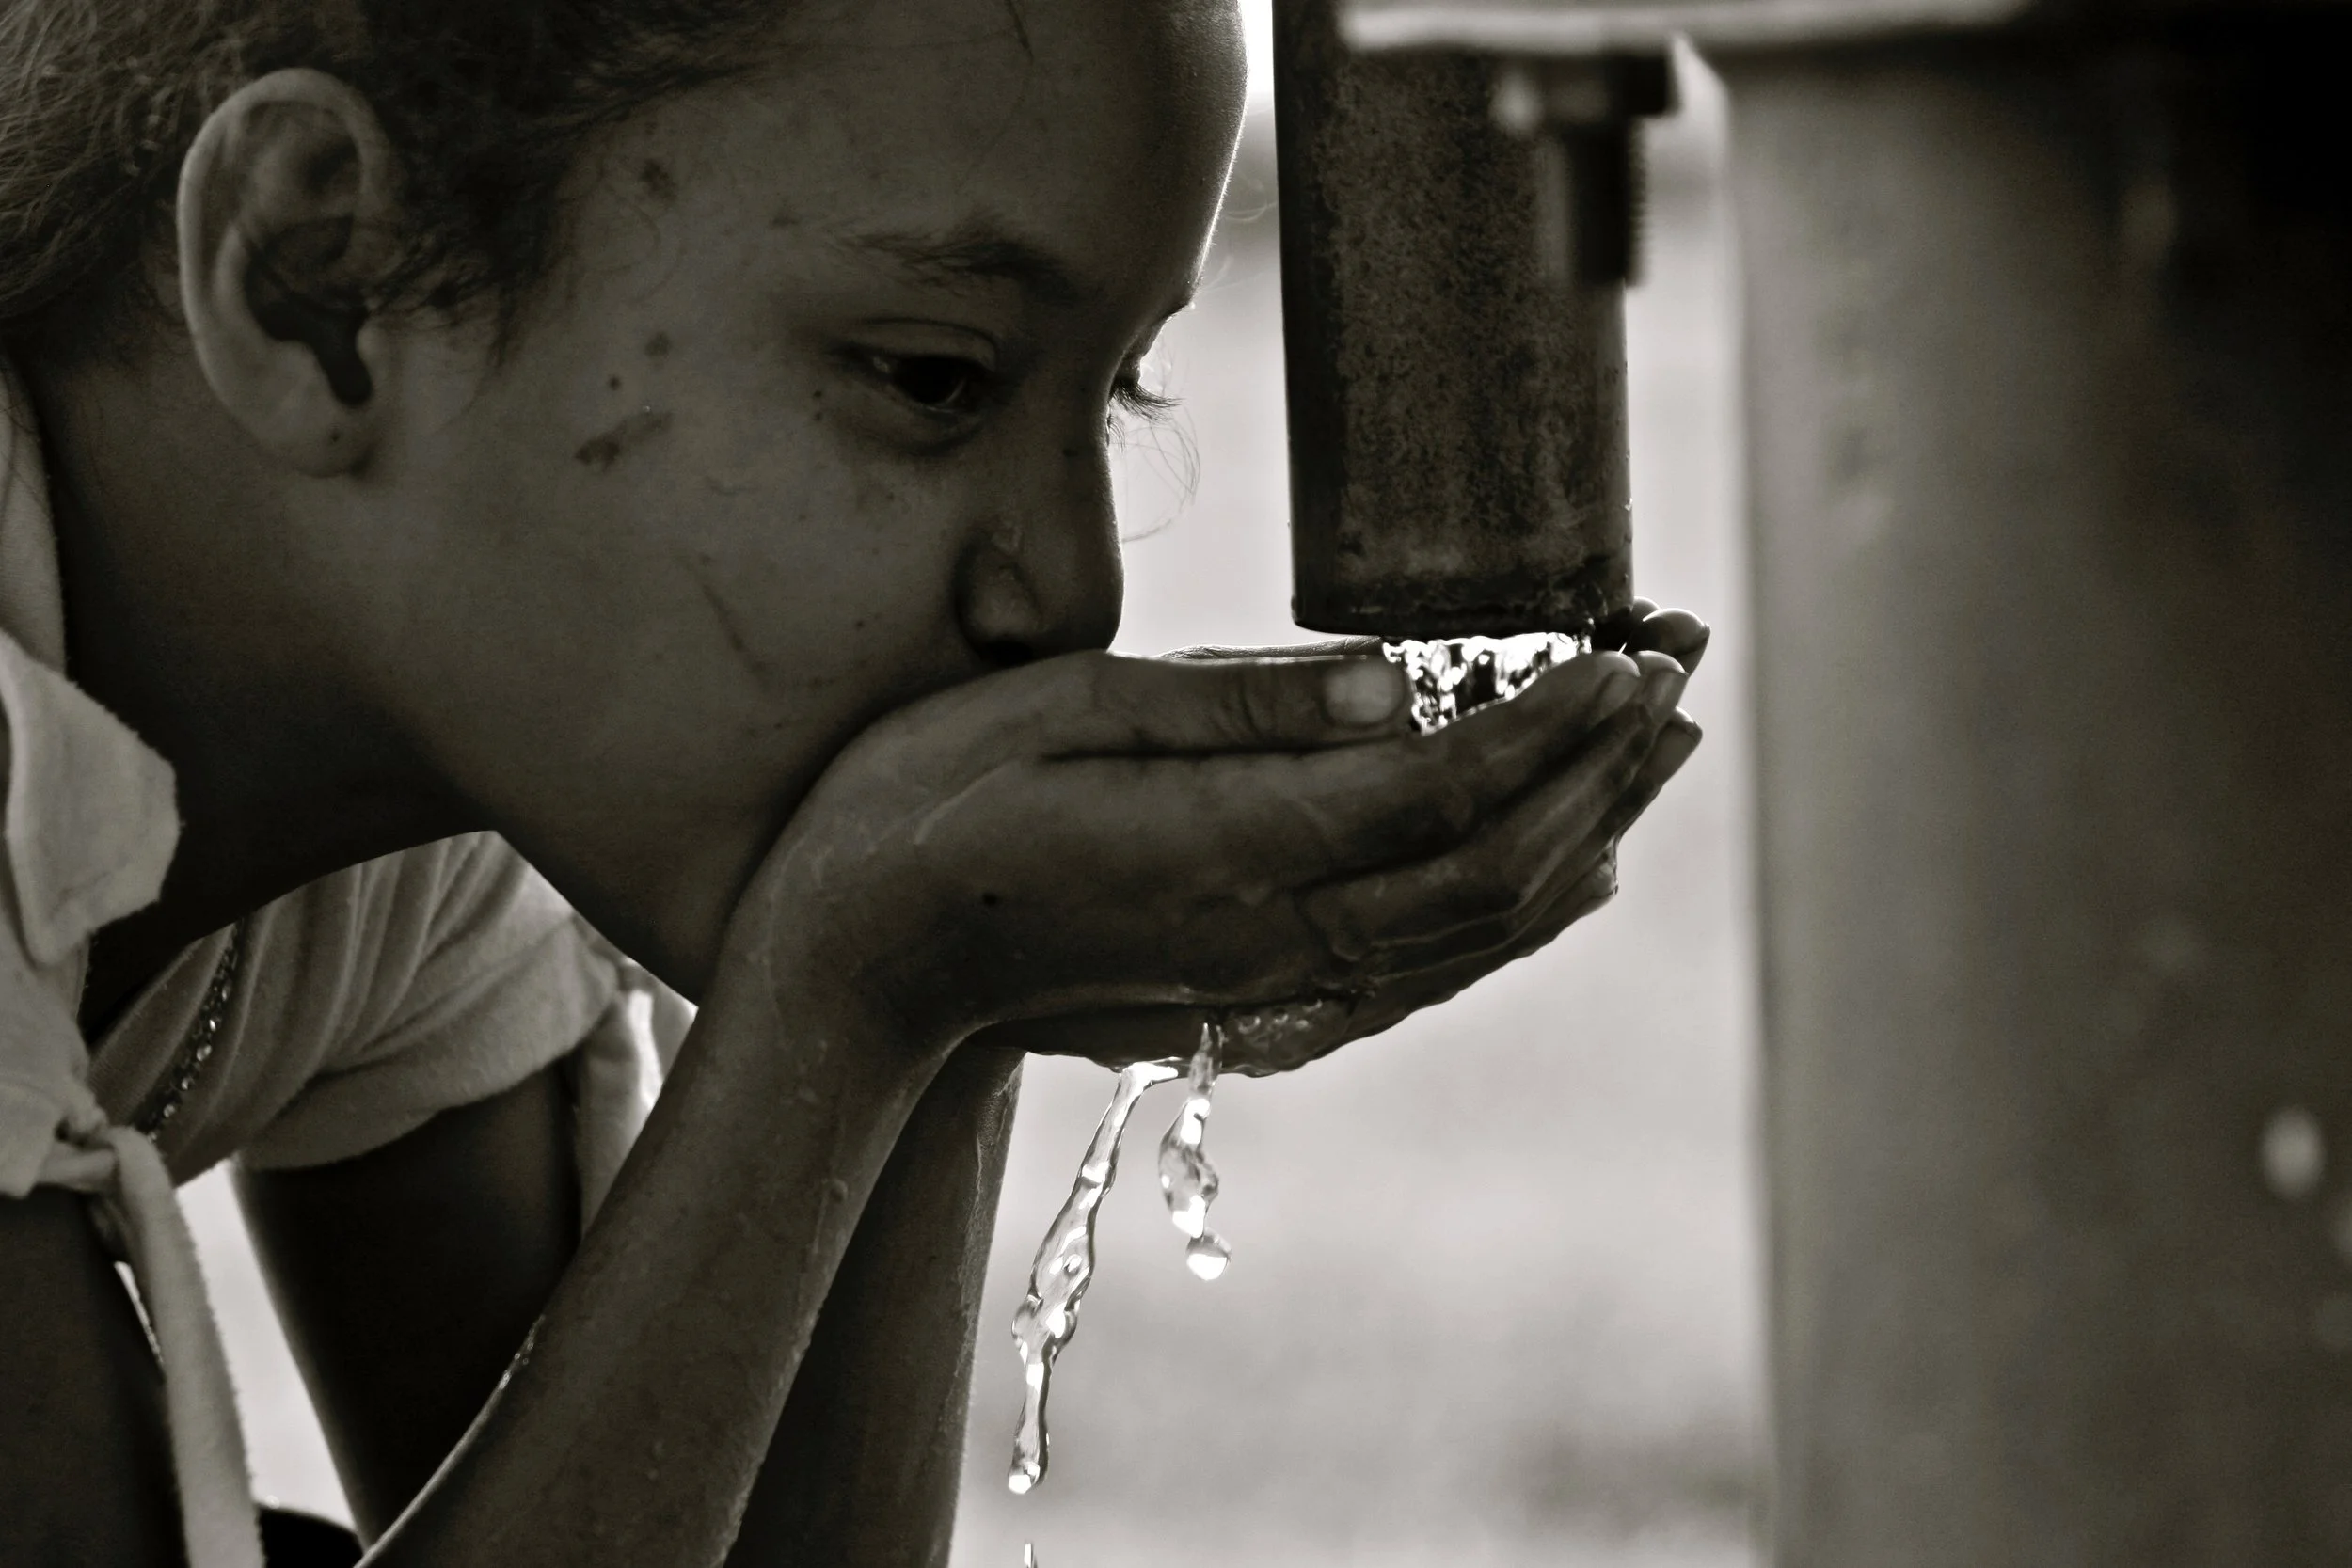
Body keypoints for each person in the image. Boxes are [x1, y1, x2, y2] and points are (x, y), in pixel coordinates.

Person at [0, 0, 1707, 1563]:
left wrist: (956, 982)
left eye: (1113, 394)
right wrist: (851, 1006)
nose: (1068, 589)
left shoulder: (411, 849)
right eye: (933, 376)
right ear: (320, 283)